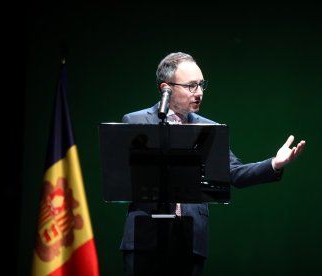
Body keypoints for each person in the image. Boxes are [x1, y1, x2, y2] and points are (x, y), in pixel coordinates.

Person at [119, 52, 306, 276]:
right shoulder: (136, 121)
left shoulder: (209, 129)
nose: (199, 93)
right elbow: (123, 178)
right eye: (191, 86)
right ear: (165, 88)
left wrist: (274, 163)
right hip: (145, 239)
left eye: (201, 85)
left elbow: (234, 173)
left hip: (190, 241)